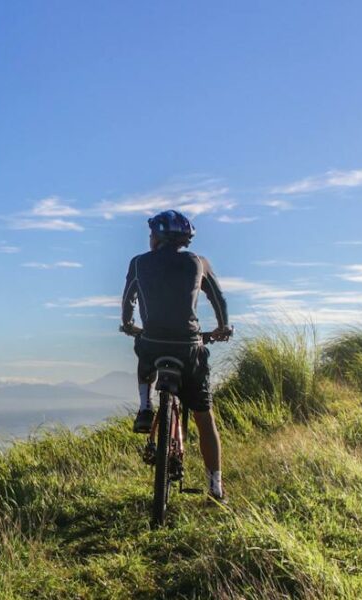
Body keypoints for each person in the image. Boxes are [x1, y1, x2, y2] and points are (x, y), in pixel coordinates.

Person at [120, 209, 232, 501]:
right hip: (189, 348)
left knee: (142, 351)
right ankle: (216, 488)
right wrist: (222, 327)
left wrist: (129, 325)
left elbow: (128, 299)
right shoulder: (199, 262)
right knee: (204, 418)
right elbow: (218, 299)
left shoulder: (138, 263)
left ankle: (145, 406)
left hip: (153, 343)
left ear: (157, 237)